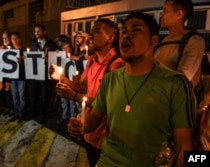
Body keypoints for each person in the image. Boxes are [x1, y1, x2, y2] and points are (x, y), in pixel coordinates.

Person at [68, 12, 196, 167]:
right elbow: (94, 118)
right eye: (123, 31)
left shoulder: (175, 84)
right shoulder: (111, 79)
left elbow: (185, 146)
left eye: (136, 30)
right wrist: (81, 125)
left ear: (153, 40)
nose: (126, 36)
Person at [50, 19, 125, 167]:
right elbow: (82, 86)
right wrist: (62, 78)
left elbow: (107, 103)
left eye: (96, 32)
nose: (90, 36)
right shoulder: (92, 60)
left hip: (105, 137)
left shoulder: (117, 65)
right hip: (89, 129)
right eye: (91, 32)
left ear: (110, 38)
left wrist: (73, 96)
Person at [154, 0, 205, 89]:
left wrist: (152, 63)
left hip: (177, 99)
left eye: (165, 11)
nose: (161, 15)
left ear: (179, 14)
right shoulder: (163, 40)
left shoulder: (194, 40)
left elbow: (183, 79)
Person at [26, 24, 57, 123]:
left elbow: (55, 56)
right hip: (35, 72)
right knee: (33, 94)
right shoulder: (32, 43)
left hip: (45, 73)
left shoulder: (51, 44)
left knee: (44, 95)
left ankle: (43, 115)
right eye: (35, 32)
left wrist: (50, 58)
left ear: (44, 32)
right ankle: (33, 112)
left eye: (39, 31)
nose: (36, 33)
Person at [9, 32, 26, 123]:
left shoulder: (24, 50)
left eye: (16, 38)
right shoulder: (9, 51)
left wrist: (23, 59)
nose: (14, 41)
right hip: (13, 78)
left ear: (20, 39)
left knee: (21, 97)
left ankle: (21, 114)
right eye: (12, 39)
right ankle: (16, 113)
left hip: (21, 77)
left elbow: (29, 64)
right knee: (14, 97)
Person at [0, 31, 14, 116]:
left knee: (12, 92)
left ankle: (13, 108)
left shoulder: (13, 47)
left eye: (6, 38)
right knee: (5, 91)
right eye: (3, 38)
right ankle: (8, 106)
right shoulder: (1, 48)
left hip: (12, 74)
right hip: (4, 74)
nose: (5, 39)